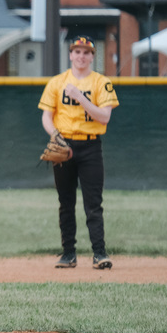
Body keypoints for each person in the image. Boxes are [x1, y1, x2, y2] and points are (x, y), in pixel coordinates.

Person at [38, 36, 119, 271]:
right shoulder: (57, 82)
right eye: (77, 51)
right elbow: (46, 115)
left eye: (86, 52)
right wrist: (55, 135)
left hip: (91, 146)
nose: (81, 56)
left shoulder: (102, 83)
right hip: (64, 146)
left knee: (93, 203)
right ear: (70, 55)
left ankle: (99, 254)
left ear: (93, 56)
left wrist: (81, 97)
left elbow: (104, 117)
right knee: (66, 202)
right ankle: (68, 254)